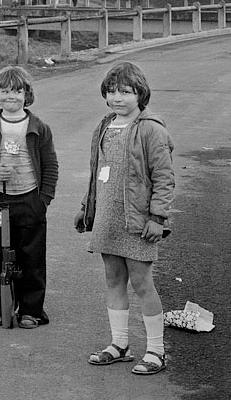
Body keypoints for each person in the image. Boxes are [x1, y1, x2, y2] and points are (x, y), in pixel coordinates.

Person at [73, 61, 174, 375]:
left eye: (126, 92)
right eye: (113, 91)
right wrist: (86, 207)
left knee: (143, 284)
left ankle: (156, 351)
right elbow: (96, 172)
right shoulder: (105, 124)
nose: (118, 97)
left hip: (138, 221)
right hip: (107, 218)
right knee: (113, 280)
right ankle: (120, 345)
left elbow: (164, 178)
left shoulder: (150, 129)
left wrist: (158, 217)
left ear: (140, 94)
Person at [0, 66, 58, 328]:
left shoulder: (39, 128)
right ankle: (0, 306)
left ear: (27, 95)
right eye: (5, 91)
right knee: (1, 257)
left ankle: (31, 310)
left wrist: (44, 199)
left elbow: (50, 165)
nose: (11, 96)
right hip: (0, 202)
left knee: (31, 257)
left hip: (30, 200)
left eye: (17, 91)